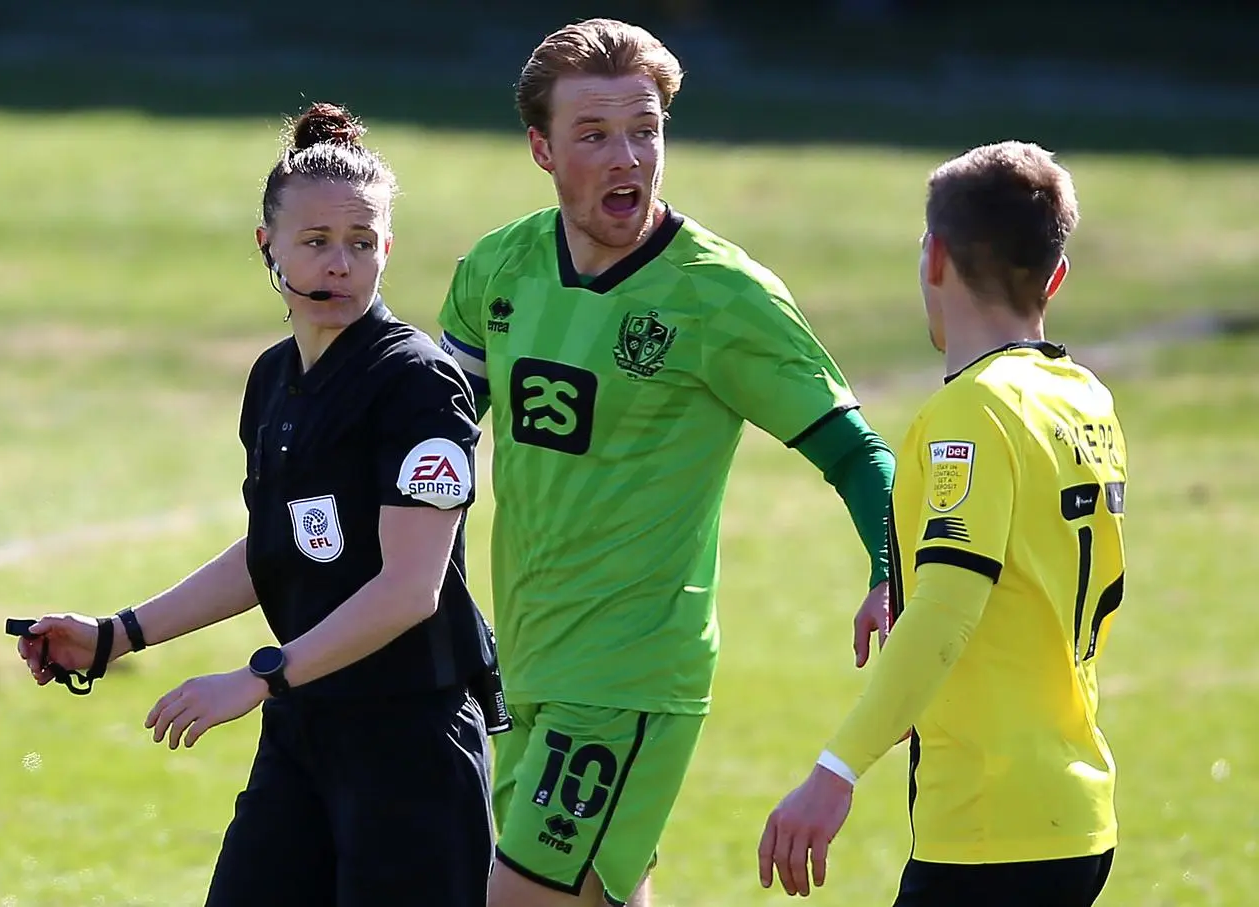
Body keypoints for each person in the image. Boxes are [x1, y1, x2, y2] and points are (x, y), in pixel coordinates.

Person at [437, 18, 897, 907]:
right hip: (522, 662)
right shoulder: (498, 269)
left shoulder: (722, 297)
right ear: (541, 148)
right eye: (595, 136)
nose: (628, 158)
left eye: (645, 131)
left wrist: (890, 564)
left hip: (628, 678)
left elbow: (855, 451)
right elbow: (432, 445)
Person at [14, 102, 502, 907]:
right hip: (307, 729)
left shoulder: (418, 385)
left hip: (408, 744)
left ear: (387, 249)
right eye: (314, 243)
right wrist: (117, 635)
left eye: (360, 243)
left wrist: (258, 676)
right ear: (266, 246)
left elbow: (410, 589)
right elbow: (274, 549)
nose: (338, 265)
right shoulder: (275, 379)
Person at [758, 141, 1126, 907]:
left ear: (933, 259)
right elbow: (1013, 582)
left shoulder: (971, 412)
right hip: (1076, 809)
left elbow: (949, 612)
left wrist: (835, 770)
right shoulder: (1083, 398)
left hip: (994, 826)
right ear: (1055, 276)